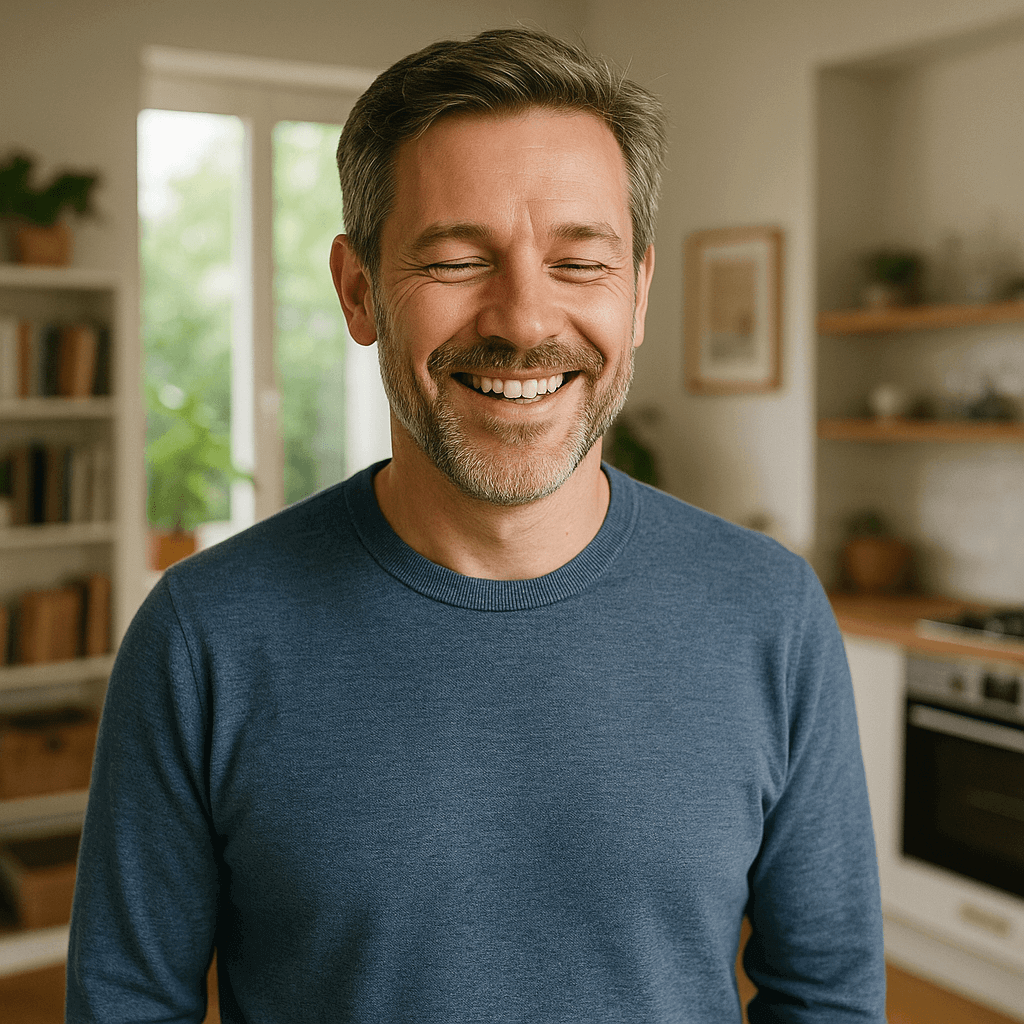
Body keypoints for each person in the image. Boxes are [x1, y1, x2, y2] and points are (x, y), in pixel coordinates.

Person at [67, 27, 886, 1023]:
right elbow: (125, 1006)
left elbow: (827, 998)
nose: (523, 319)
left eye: (580, 262)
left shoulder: (772, 612)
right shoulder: (204, 636)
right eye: (458, 259)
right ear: (359, 290)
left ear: (637, 293)